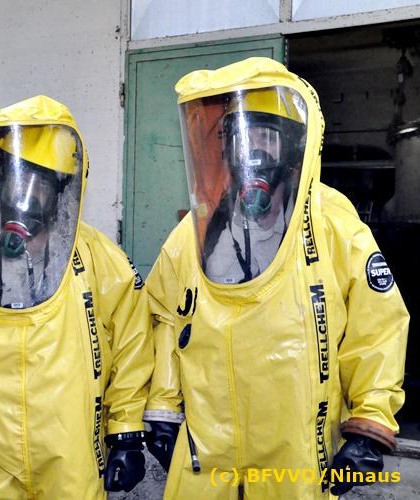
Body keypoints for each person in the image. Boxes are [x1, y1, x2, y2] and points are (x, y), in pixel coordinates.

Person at [143, 57, 409, 498]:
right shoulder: (195, 234)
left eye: (264, 137)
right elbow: (166, 321)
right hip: (206, 453)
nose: (252, 153)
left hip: (295, 455)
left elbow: (377, 326)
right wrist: (163, 409)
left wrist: (370, 424)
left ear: (290, 147)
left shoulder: (331, 224)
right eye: (240, 139)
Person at [0, 95, 153, 499]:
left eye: (40, 184)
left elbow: (132, 347)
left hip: (69, 459)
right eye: (17, 178)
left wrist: (126, 432)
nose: (25, 195)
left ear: (62, 191)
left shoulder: (98, 259)